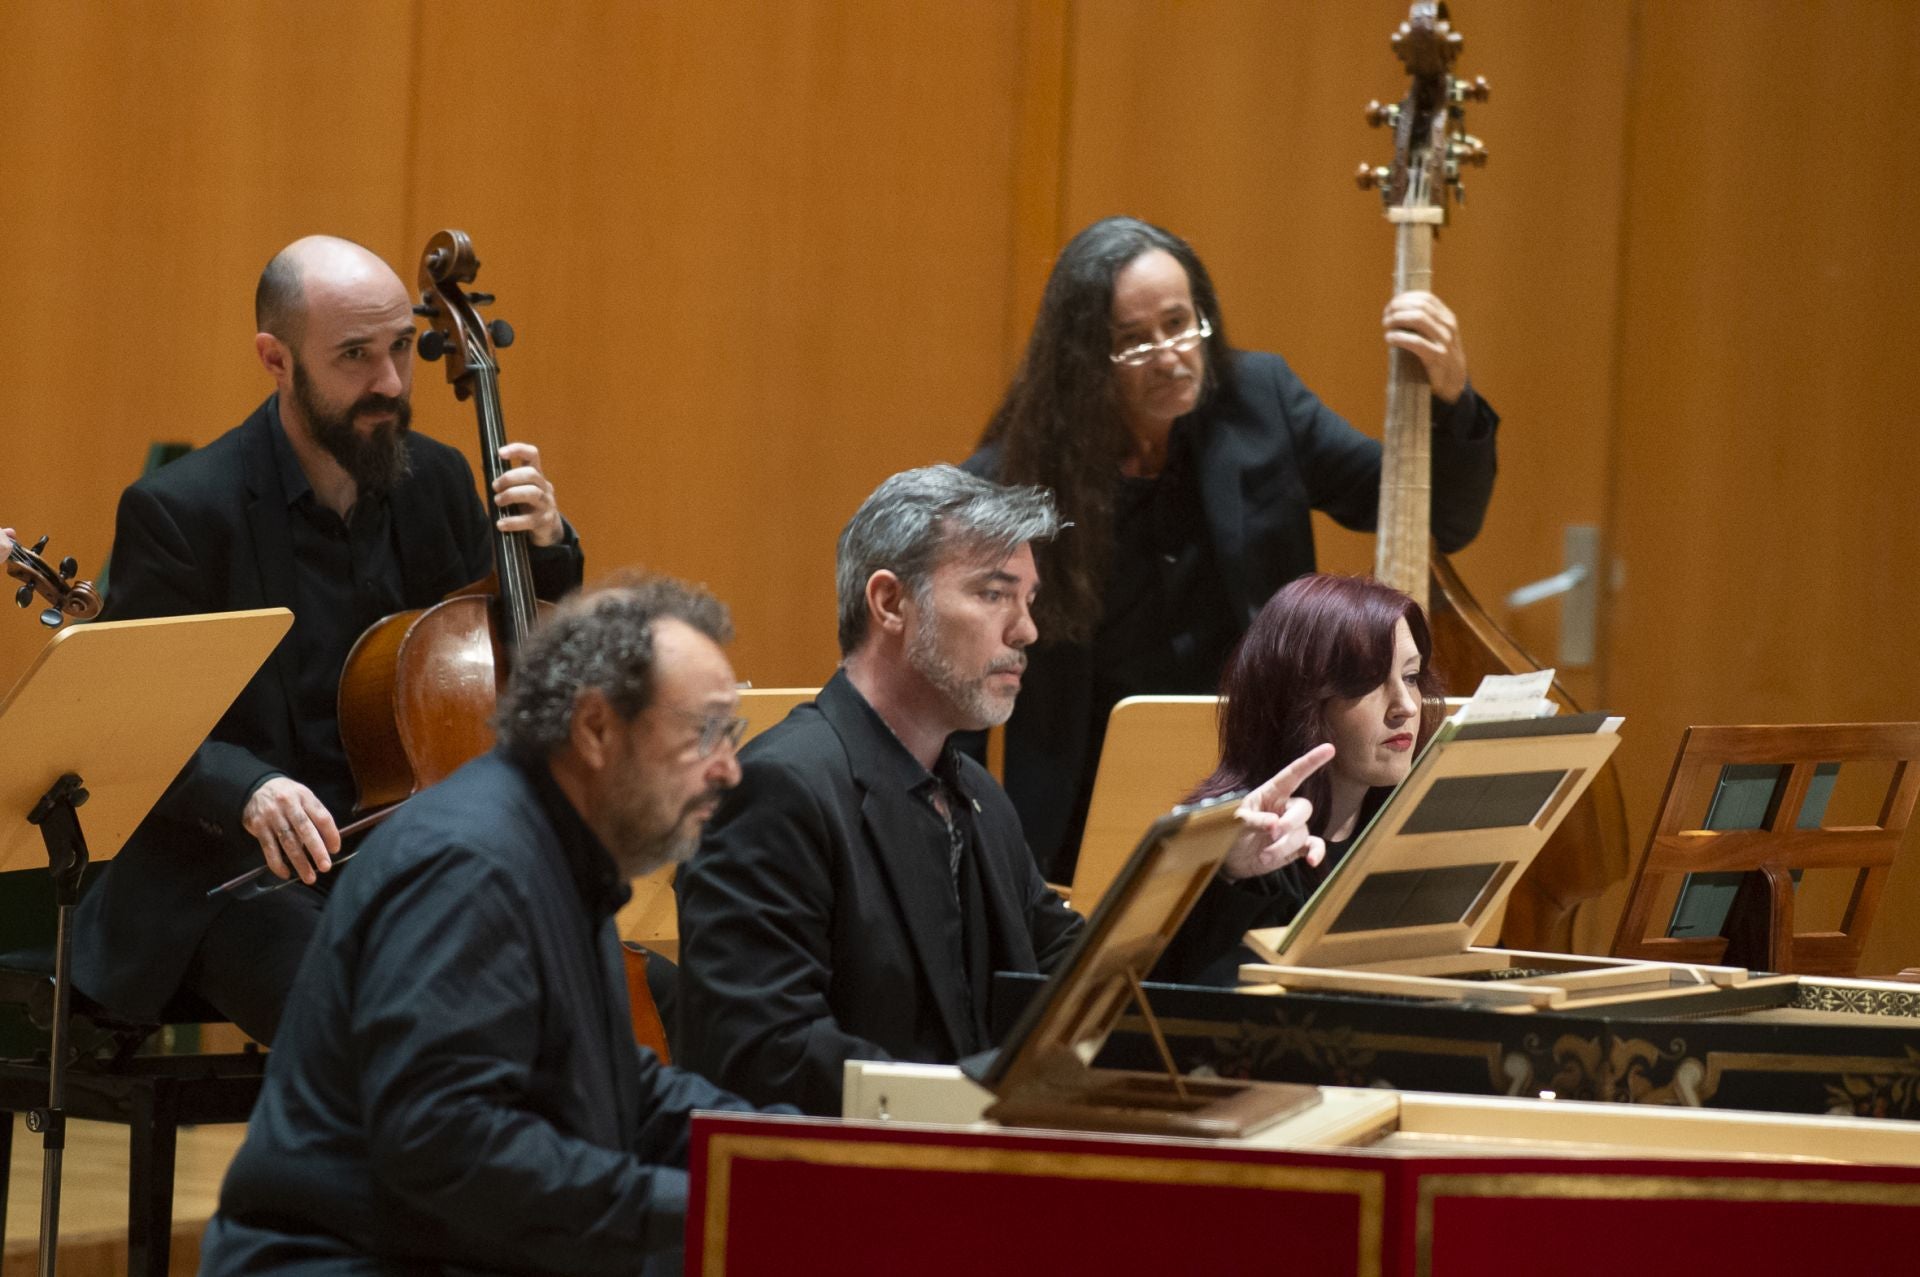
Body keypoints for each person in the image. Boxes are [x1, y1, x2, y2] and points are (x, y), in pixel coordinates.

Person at [673, 465, 1332, 1115]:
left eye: (1029, 600)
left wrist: (1218, 871)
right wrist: (978, 1097)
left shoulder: (977, 795)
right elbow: (767, 1057)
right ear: (891, 603)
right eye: (994, 594)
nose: (1026, 631)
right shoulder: (777, 789)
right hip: (854, 1171)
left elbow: (1080, 988)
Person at [72, 235, 584, 1043]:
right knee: (379, 1017)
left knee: (634, 998)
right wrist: (248, 787)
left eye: (401, 348)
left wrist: (544, 545)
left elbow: (497, 649)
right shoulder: (183, 512)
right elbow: (134, 722)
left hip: (403, 861)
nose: (390, 383)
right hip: (235, 877)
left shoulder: (438, 482)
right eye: (354, 355)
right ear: (276, 360)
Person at [200, 573, 768, 1276]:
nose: (729, 770)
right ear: (595, 728)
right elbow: (446, 1142)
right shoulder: (471, 865)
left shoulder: (560, 847)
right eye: (705, 733)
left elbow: (625, 1094)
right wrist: (703, 1209)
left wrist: (795, 1156)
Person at [963, 215, 1496, 880]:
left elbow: (1435, 517)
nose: (1169, 355)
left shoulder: (1261, 402)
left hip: (1275, 791)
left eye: (1179, 323)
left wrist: (1452, 396)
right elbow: (967, 683)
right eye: (1134, 341)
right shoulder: (1011, 478)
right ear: (1084, 358)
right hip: (1085, 817)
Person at [1164, 573, 1444, 984]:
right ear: (1298, 699)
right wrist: (1228, 873)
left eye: (1411, 677)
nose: (1406, 706)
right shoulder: (1236, 844)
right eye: (1368, 683)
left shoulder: (1410, 826)